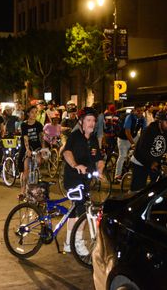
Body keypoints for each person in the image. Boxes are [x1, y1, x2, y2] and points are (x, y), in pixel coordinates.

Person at [62, 107, 105, 253]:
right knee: (82, 211)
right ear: (81, 122)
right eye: (88, 120)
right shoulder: (75, 136)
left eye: (93, 120)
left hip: (85, 180)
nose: (92, 123)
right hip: (73, 178)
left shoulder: (92, 139)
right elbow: (66, 152)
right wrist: (76, 165)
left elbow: (99, 159)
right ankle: (78, 243)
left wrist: (99, 170)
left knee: (75, 211)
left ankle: (69, 242)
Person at [130, 111, 167, 192]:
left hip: (154, 162)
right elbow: (142, 149)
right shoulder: (149, 130)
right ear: (160, 121)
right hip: (141, 162)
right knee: (138, 189)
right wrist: (151, 162)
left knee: (159, 186)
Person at [114, 105, 146, 182]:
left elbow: (144, 131)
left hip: (134, 136)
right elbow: (127, 132)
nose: (140, 113)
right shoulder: (130, 117)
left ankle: (135, 169)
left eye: (142, 111)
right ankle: (117, 175)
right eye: (138, 111)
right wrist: (133, 144)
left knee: (141, 152)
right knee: (122, 156)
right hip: (123, 138)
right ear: (134, 111)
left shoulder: (142, 119)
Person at [18, 106, 44, 199]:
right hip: (27, 148)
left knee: (39, 163)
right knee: (26, 169)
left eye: (36, 112)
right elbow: (25, 137)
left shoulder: (39, 125)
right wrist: (28, 149)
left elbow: (41, 137)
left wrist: (43, 149)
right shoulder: (24, 125)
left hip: (37, 148)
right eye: (32, 112)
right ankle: (23, 190)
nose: (34, 114)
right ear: (28, 113)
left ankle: (36, 186)